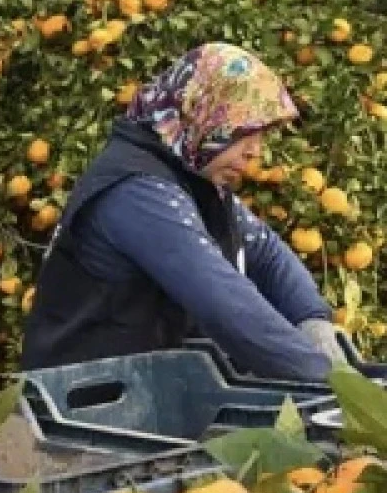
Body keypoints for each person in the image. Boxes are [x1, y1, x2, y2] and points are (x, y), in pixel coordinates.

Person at [22, 42, 345, 382]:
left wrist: (313, 319)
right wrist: (330, 380)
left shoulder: (191, 177)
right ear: (203, 113)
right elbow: (222, 300)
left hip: (141, 391)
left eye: (261, 136)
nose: (255, 152)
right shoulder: (136, 191)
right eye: (245, 133)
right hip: (84, 404)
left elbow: (266, 251)